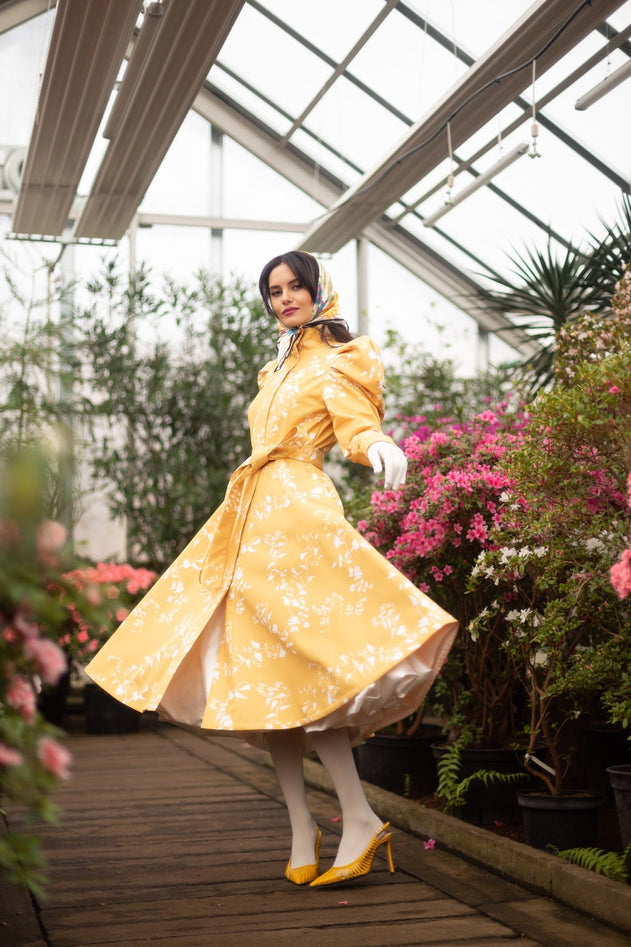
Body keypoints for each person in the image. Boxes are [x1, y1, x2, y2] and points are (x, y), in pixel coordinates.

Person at [85, 251, 458, 887]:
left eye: (295, 287)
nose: (284, 298)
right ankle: (300, 826)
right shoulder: (276, 367)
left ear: (321, 291)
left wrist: (379, 445)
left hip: (297, 523)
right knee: (265, 681)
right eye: (274, 290)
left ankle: (361, 817)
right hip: (249, 524)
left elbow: (355, 428)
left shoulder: (339, 360)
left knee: (310, 677)